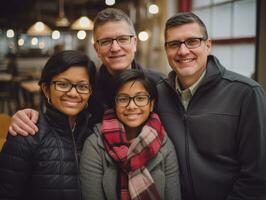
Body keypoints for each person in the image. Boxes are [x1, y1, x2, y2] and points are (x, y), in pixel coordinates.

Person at [156, 12, 266, 200]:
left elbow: (257, 176)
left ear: (208, 45)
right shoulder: (157, 95)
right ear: (166, 50)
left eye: (192, 41)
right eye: (174, 44)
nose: (183, 51)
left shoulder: (246, 93)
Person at [7, 8, 164, 136]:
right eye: (106, 41)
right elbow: (58, 121)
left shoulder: (159, 85)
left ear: (134, 43)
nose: (115, 48)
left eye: (123, 39)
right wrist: (28, 117)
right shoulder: (86, 87)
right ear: (96, 49)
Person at [0, 50, 96, 200]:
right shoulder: (26, 133)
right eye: (63, 84)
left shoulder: (91, 138)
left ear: (90, 92)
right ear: (46, 89)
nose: (73, 93)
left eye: (82, 86)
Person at [80, 69, 181, 200]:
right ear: (114, 104)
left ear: (151, 104)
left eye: (140, 98)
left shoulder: (165, 145)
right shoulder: (94, 145)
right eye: (123, 99)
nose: (131, 106)